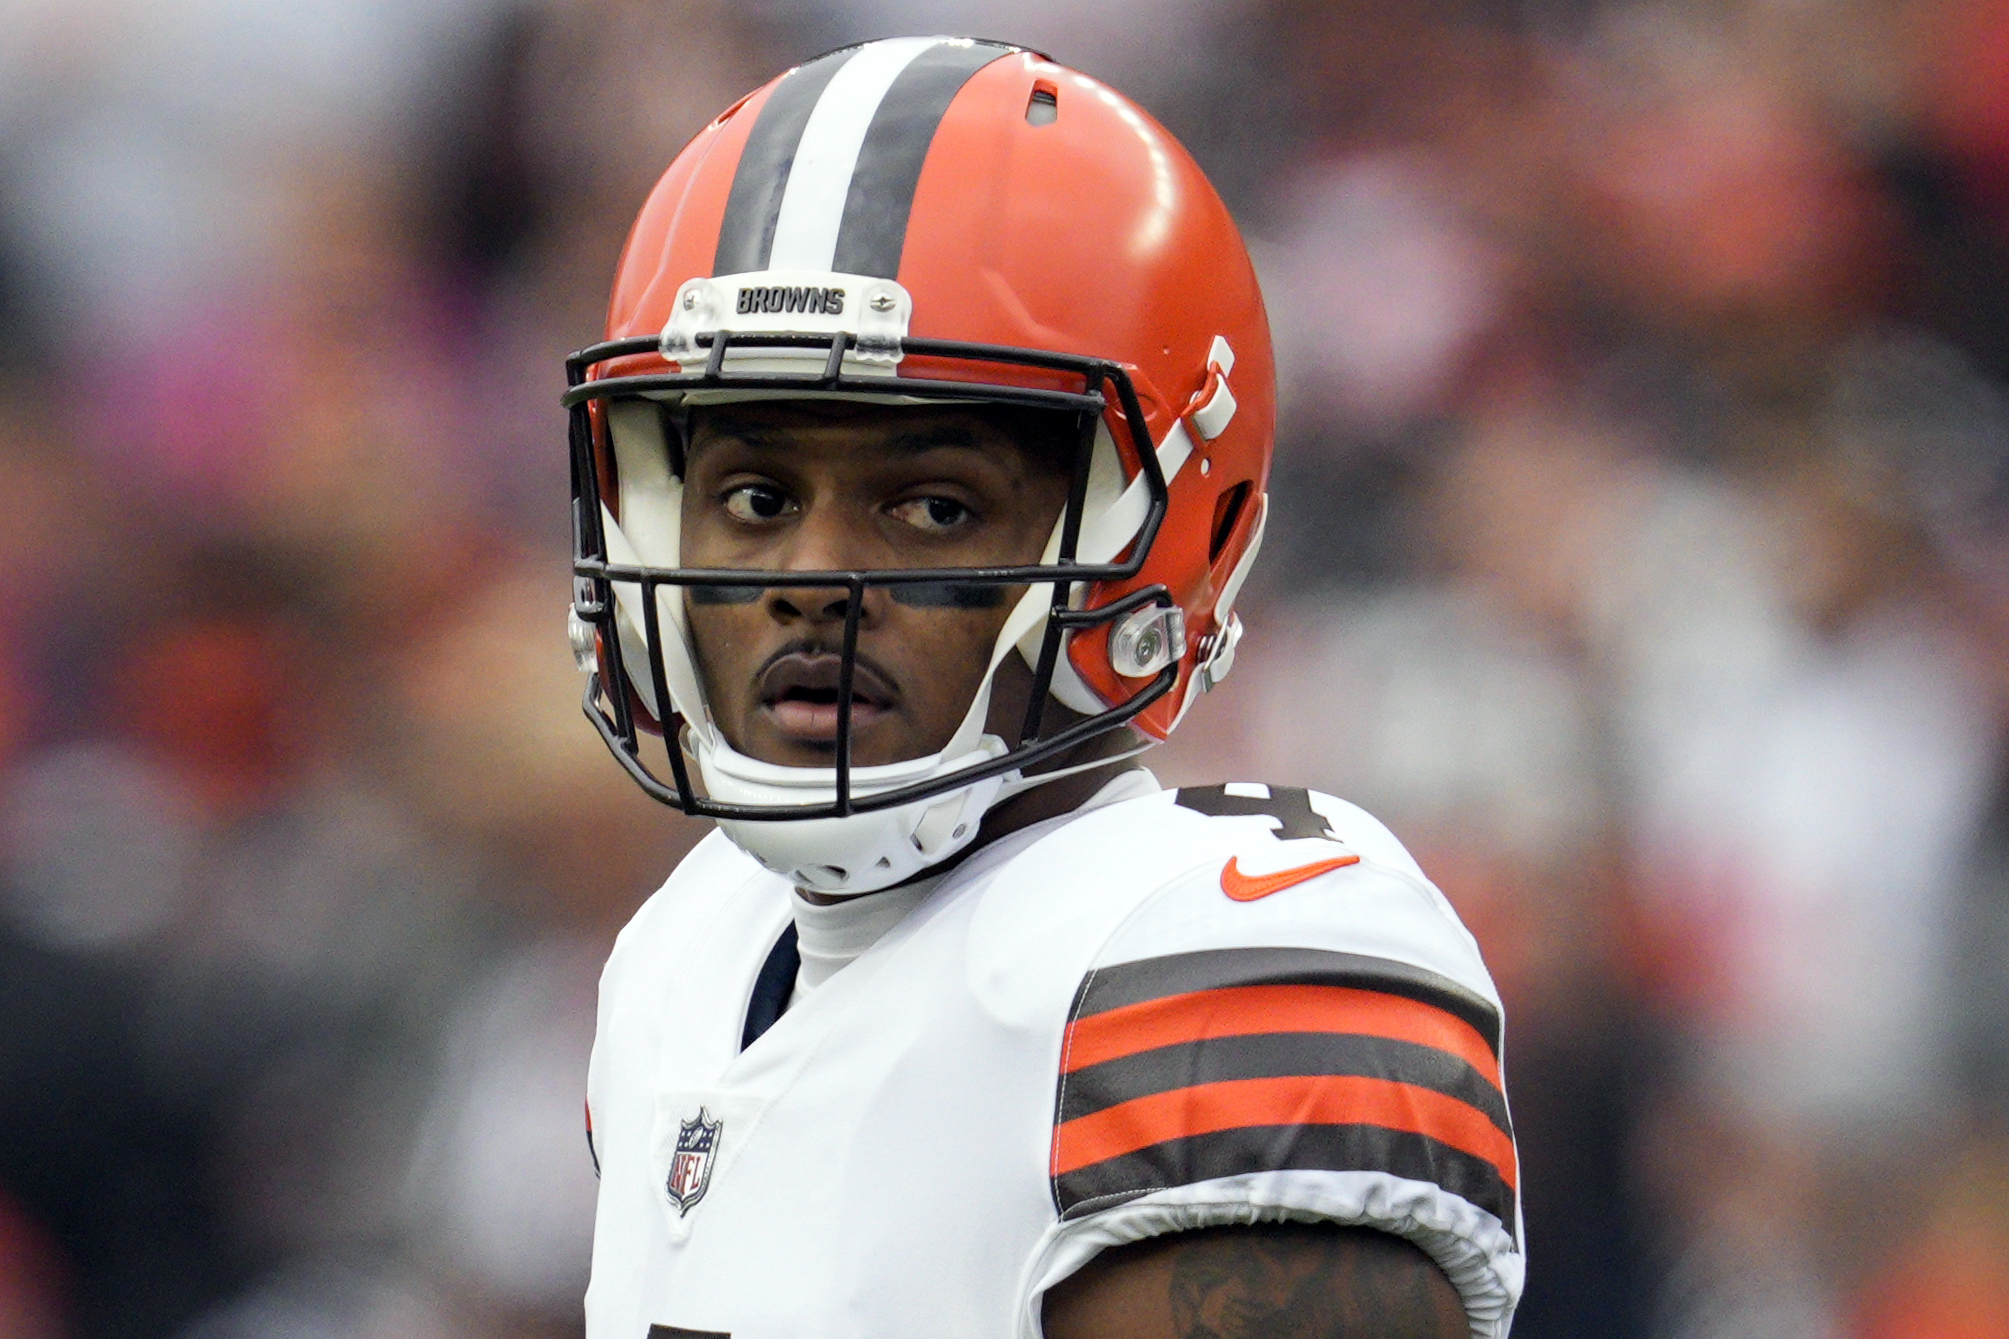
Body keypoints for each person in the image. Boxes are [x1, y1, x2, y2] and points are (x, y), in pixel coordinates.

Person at [563, 36, 1522, 1339]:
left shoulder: (1212, 961)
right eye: (754, 496)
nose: (810, 575)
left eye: (932, 504)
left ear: (1160, 537)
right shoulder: (683, 954)